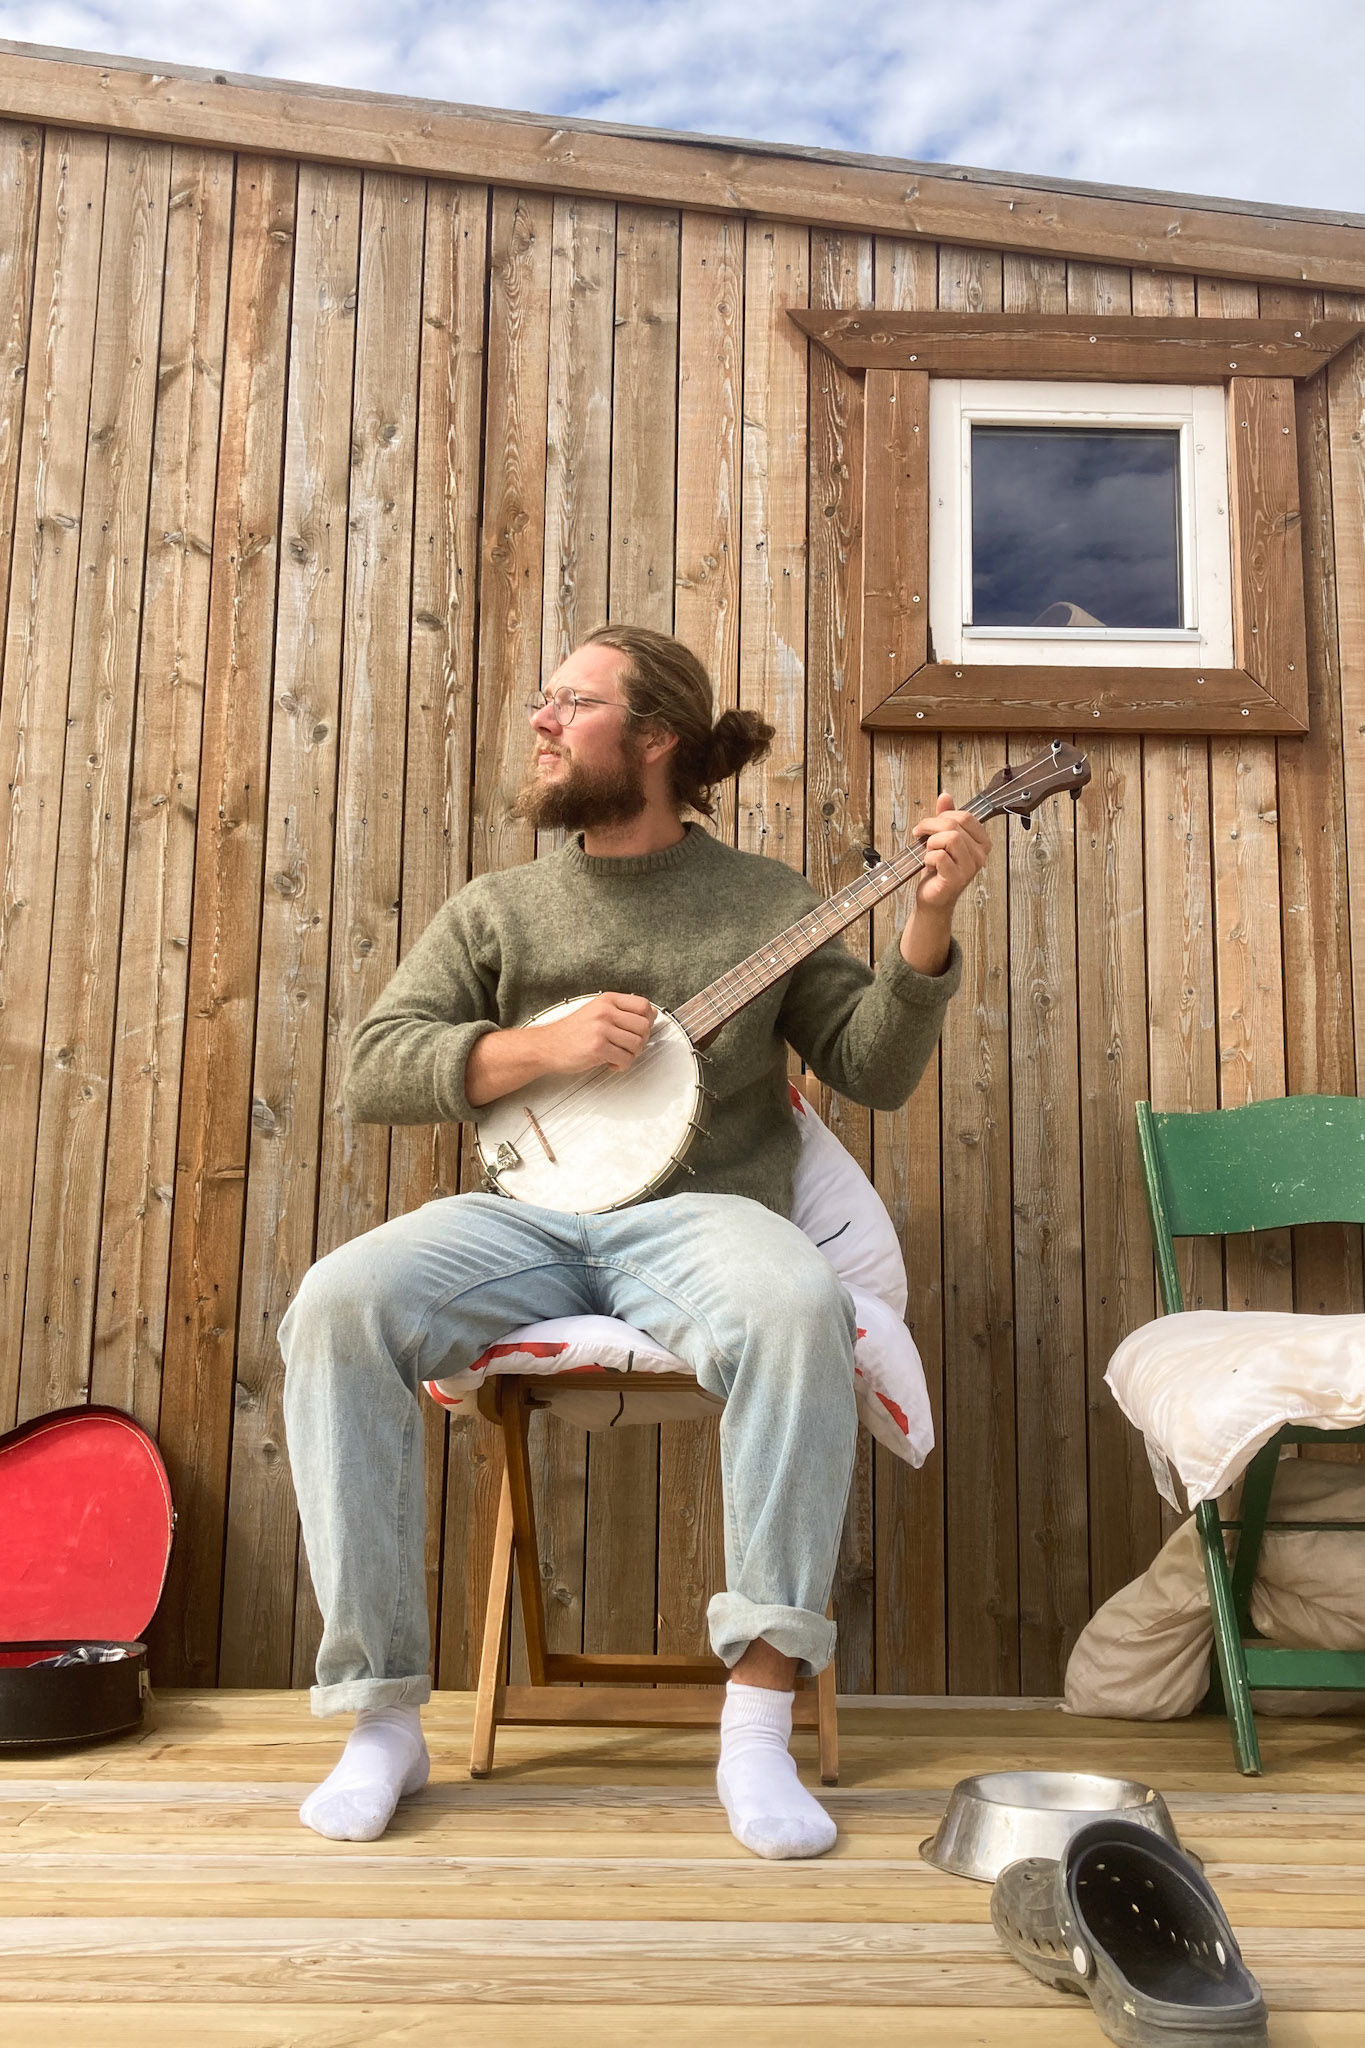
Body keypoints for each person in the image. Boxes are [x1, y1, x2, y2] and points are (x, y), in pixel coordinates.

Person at [278, 624, 989, 1859]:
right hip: (523, 1219)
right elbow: (370, 1070)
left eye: (571, 701)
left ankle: (758, 1719)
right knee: (338, 1302)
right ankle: (382, 1716)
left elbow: (871, 1069)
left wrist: (926, 920)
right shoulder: (500, 907)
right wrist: (534, 1050)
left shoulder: (765, 902)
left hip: (703, 1216)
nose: (542, 719)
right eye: (546, 697)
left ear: (654, 738)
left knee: (792, 1303)